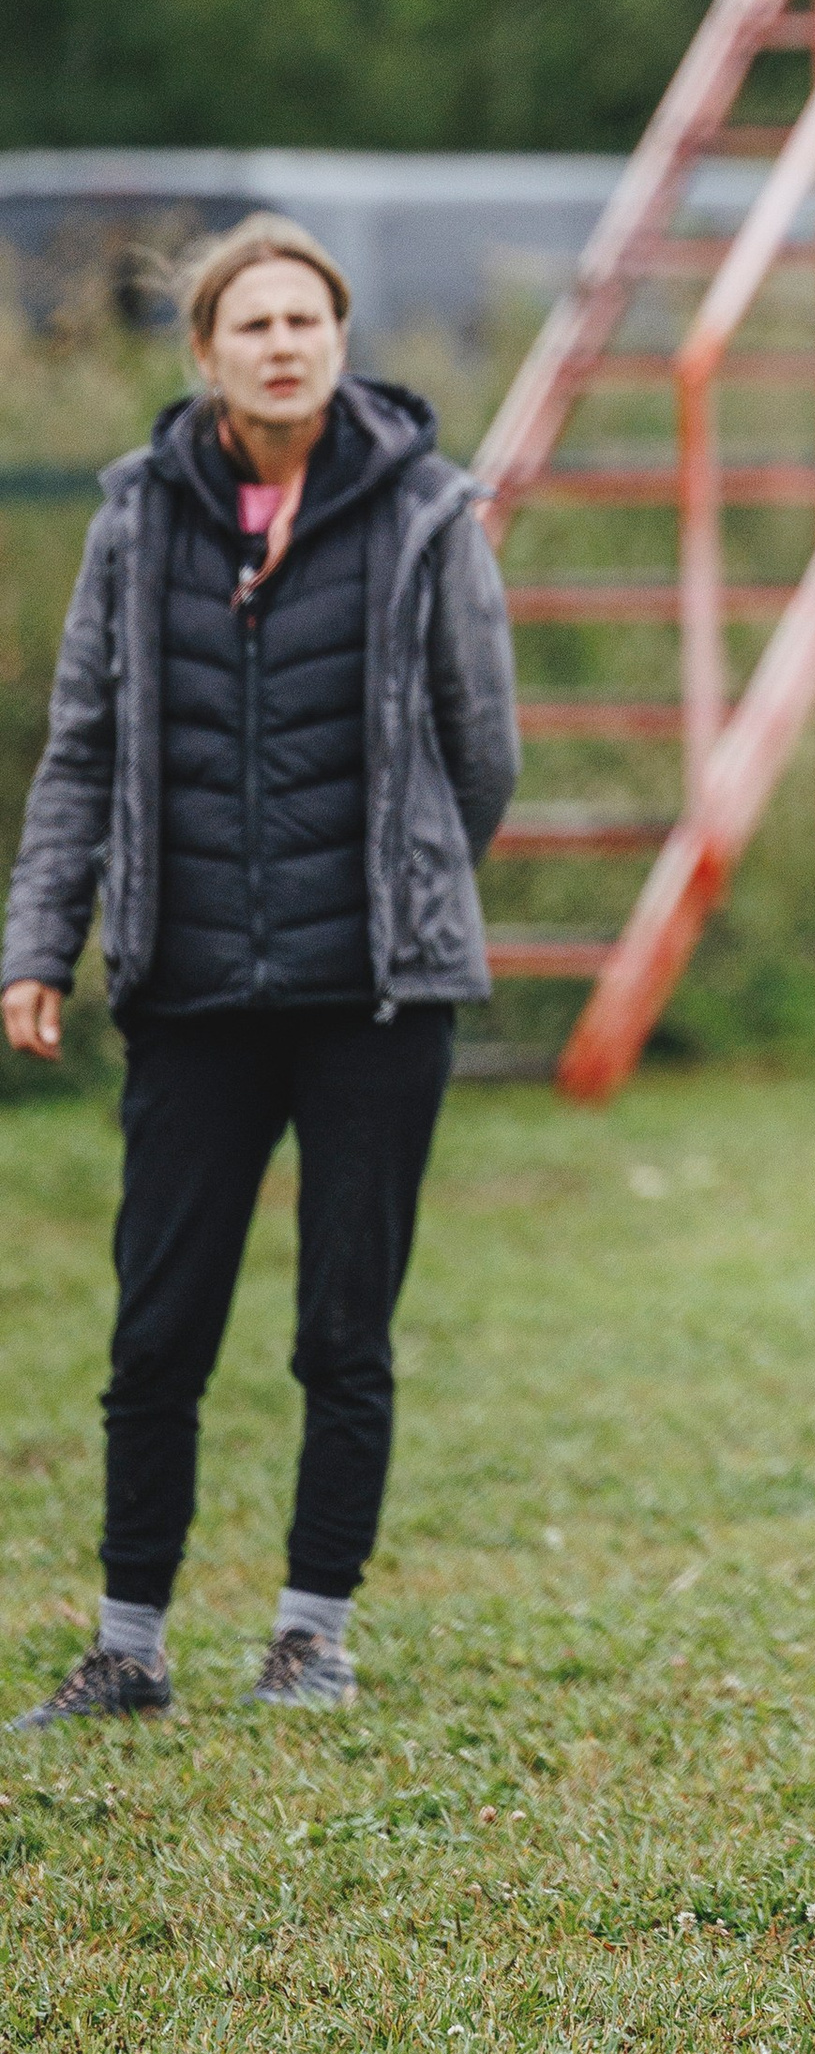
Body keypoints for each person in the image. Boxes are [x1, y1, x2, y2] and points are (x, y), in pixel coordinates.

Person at [0, 215, 517, 1723]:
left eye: (307, 318)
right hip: (192, 993)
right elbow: (82, 751)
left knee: (340, 1334)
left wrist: (408, 885)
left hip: (376, 997)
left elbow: (480, 752)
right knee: (155, 1334)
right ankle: (128, 1647)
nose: (284, 341)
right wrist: (41, 942)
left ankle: (310, 1637)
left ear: (339, 342)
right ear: (207, 355)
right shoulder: (135, 520)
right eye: (254, 323)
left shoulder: (428, 512)